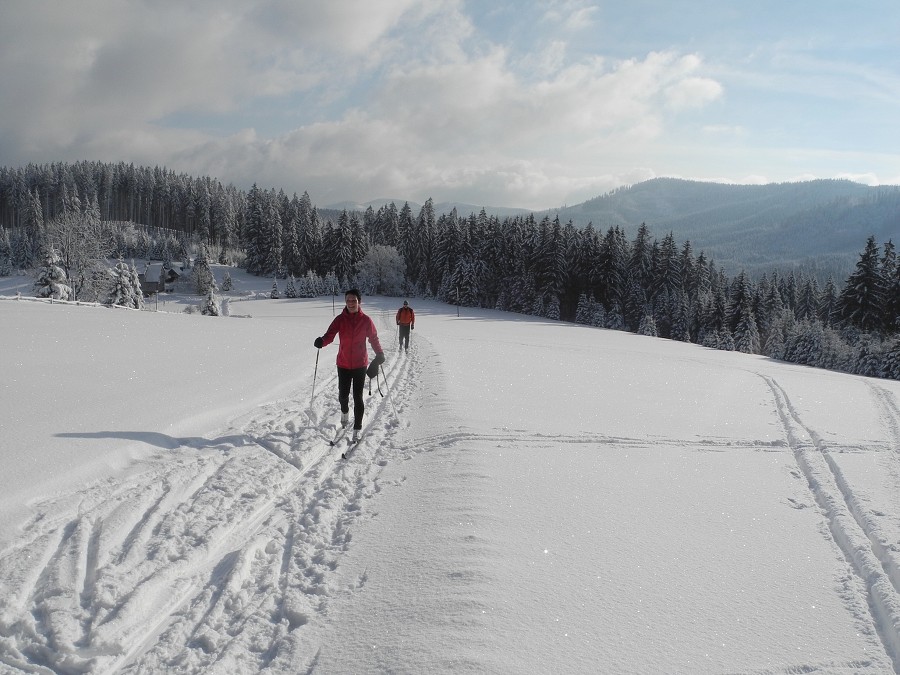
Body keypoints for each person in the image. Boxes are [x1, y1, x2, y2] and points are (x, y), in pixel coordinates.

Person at [314, 289, 384, 440]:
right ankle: (344, 411)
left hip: (360, 364)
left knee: (358, 397)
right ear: (345, 302)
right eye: (348, 301)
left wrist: (379, 353)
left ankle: (357, 429)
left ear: (359, 302)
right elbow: (330, 335)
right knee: (343, 395)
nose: (351, 303)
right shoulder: (340, 319)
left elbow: (373, 338)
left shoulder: (366, 320)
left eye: (354, 301)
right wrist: (322, 341)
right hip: (343, 364)